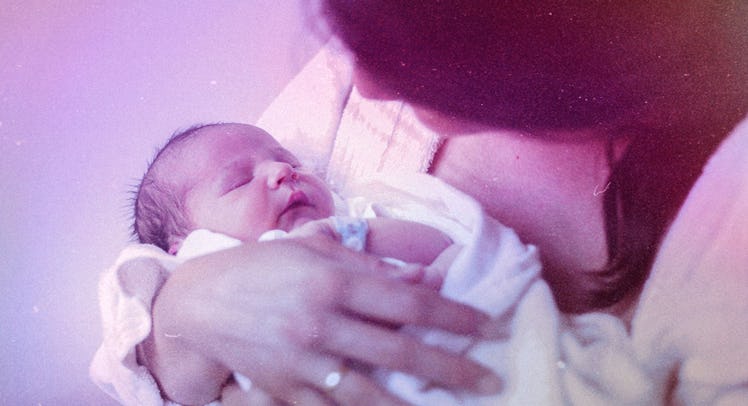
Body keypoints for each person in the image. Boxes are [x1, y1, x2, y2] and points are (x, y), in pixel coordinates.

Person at [95, 1, 748, 405]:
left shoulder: (723, 191)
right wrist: (190, 306)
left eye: (397, 60)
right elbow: (130, 325)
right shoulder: (338, 86)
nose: (369, 87)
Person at [91, 122, 546, 405]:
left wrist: (356, 238)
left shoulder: (364, 213)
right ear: (181, 244)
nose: (281, 172)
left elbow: (448, 247)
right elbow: (145, 369)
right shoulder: (186, 269)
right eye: (237, 182)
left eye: (286, 161)